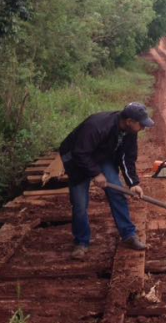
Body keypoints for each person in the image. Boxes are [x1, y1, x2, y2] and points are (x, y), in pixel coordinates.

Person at [60, 102, 154, 260]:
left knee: (117, 193)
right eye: (141, 124)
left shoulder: (130, 131)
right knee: (80, 204)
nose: (143, 128)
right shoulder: (97, 126)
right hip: (76, 159)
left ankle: (128, 235)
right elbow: (80, 153)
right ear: (129, 121)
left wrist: (133, 183)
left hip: (101, 155)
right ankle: (81, 242)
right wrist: (96, 173)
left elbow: (128, 158)